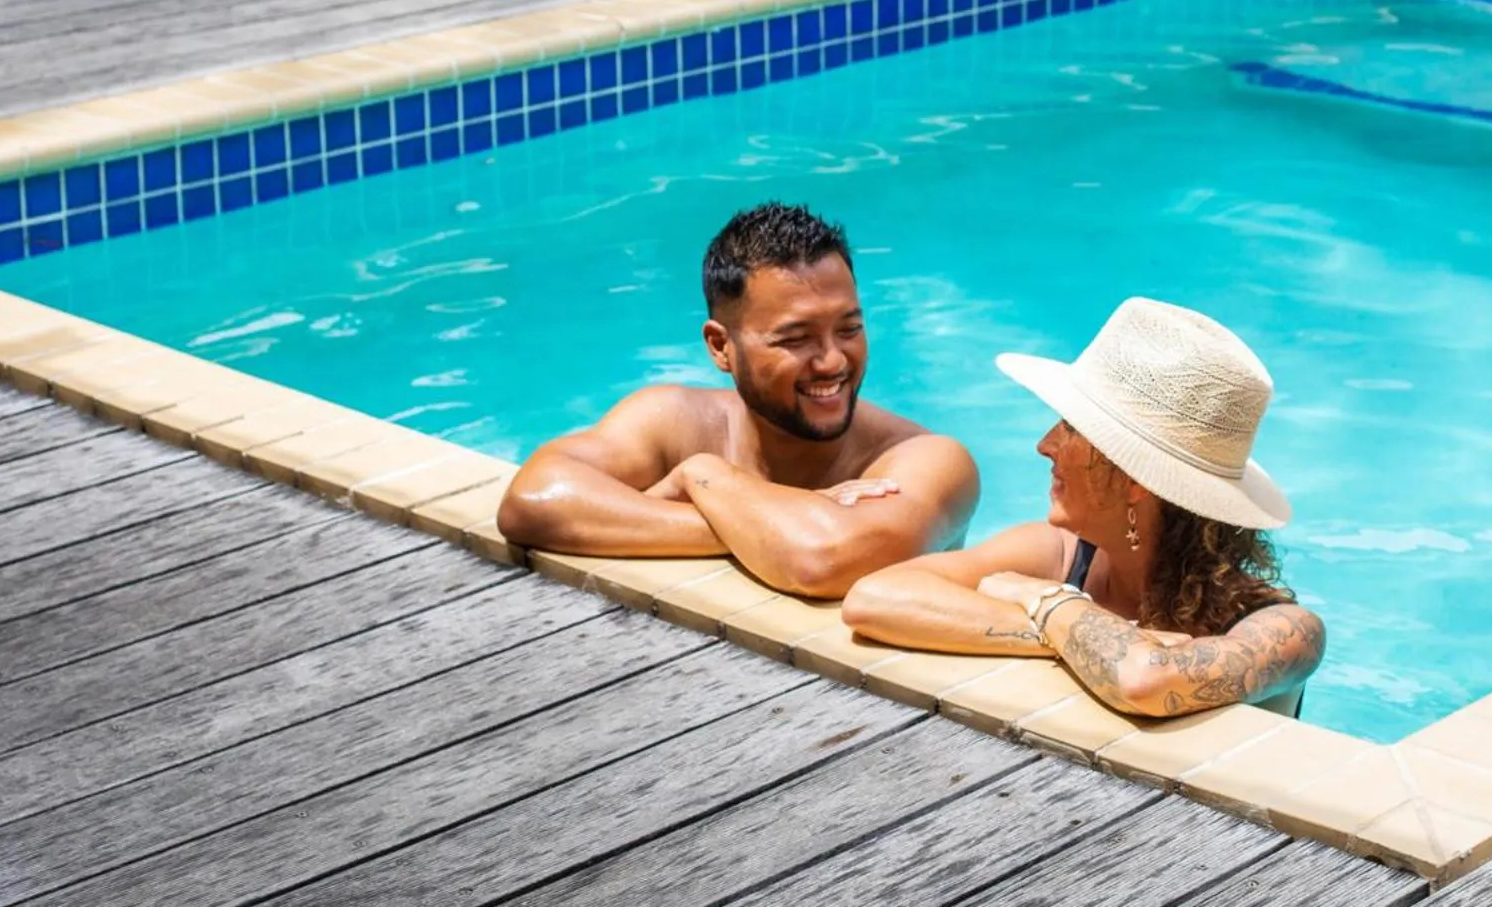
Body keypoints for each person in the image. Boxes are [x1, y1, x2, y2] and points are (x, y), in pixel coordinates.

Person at [841, 297, 1324, 718]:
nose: (1045, 445)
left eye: (1071, 427)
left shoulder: (1284, 631)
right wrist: (1062, 634)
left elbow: (1144, 682)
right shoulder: (1057, 555)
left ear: (1135, 480)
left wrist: (1049, 600)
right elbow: (873, 598)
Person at [496, 202, 980, 599]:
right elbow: (531, 503)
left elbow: (822, 561)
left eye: (850, 329)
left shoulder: (926, 460)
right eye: (796, 339)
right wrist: (769, 523)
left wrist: (703, 476)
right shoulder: (671, 420)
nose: (833, 361)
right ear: (721, 346)